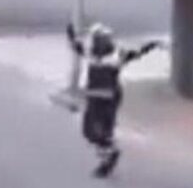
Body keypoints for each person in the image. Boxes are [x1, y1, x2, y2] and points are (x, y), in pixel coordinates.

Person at [65, 22, 162, 178]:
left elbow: (136, 53)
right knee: (91, 131)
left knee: (100, 131)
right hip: (97, 97)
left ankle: (108, 158)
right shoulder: (94, 54)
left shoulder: (115, 55)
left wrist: (151, 45)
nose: (97, 43)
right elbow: (78, 47)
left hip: (108, 98)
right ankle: (108, 154)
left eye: (99, 40)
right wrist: (71, 35)